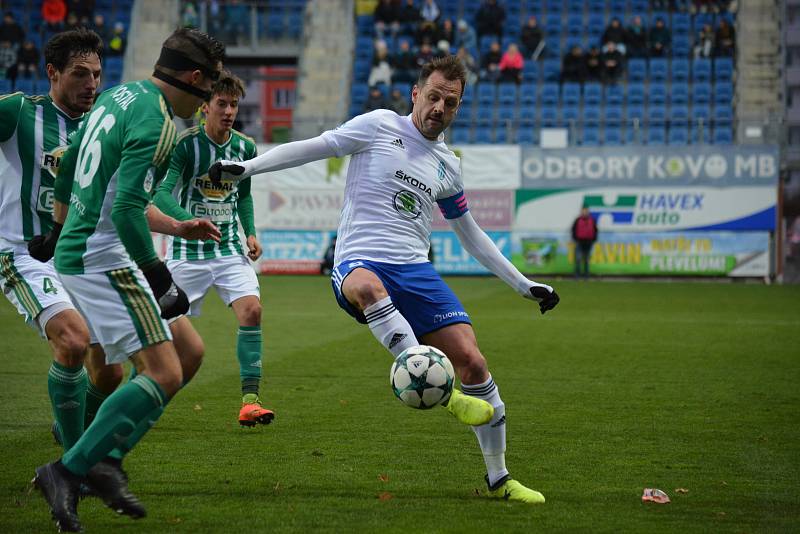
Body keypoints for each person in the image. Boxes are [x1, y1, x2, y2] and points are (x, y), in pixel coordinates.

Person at [209, 55, 560, 504]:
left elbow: (470, 233)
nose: (439, 107)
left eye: (450, 103)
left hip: (415, 270)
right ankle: (439, 388)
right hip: (360, 261)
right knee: (366, 289)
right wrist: (251, 167)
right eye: (433, 97)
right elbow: (318, 145)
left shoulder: (447, 164)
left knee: (473, 362)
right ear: (416, 94)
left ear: (458, 107)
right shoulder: (378, 125)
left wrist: (521, 283)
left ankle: (500, 478)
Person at [30, 27, 225, 532]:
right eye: (209, 93)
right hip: (102, 257)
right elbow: (126, 210)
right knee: (164, 372)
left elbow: (70, 160)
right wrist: (161, 278)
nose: (206, 107)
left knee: (189, 353)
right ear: (196, 78)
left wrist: (55, 228)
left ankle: (103, 458)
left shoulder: (120, 94)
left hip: (82, 250)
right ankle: (72, 469)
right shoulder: (158, 122)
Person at [2, 27, 128, 487]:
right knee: (73, 342)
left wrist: (174, 226)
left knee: (110, 371)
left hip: (76, 257)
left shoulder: (103, 128)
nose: (92, 83)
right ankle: (75, 468)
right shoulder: (19, 112)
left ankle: (68, 425)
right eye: (80, 73)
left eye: (97, 74)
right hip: (21, 251)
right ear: (52, 73)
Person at [153, 71, 273, 427]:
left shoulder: (245, 148)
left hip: (229, 252)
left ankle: (250, 402)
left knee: (251, 311)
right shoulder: (185, 145)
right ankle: (137, 398)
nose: (229, 110)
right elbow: (161, 194)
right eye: (222, 103)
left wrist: (250, 233)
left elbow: (244, 196)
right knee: (163, 336)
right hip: (187, 255)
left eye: (234, 104)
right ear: (204, 107)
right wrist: (186, 222)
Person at [571, 206, 598, 279]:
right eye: (583, 211)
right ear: (581, 212)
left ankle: (586, 275)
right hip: (579, 242)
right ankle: (577, 275)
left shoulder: (592, 220)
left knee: (586, 260)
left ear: (588, 212)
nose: (584, 212)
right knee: (578, 259)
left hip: (588, 242)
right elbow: (573, 229)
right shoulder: (577, 220)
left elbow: (595, 230)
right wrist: (575, 239)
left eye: (586, 211)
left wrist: (593, 239)